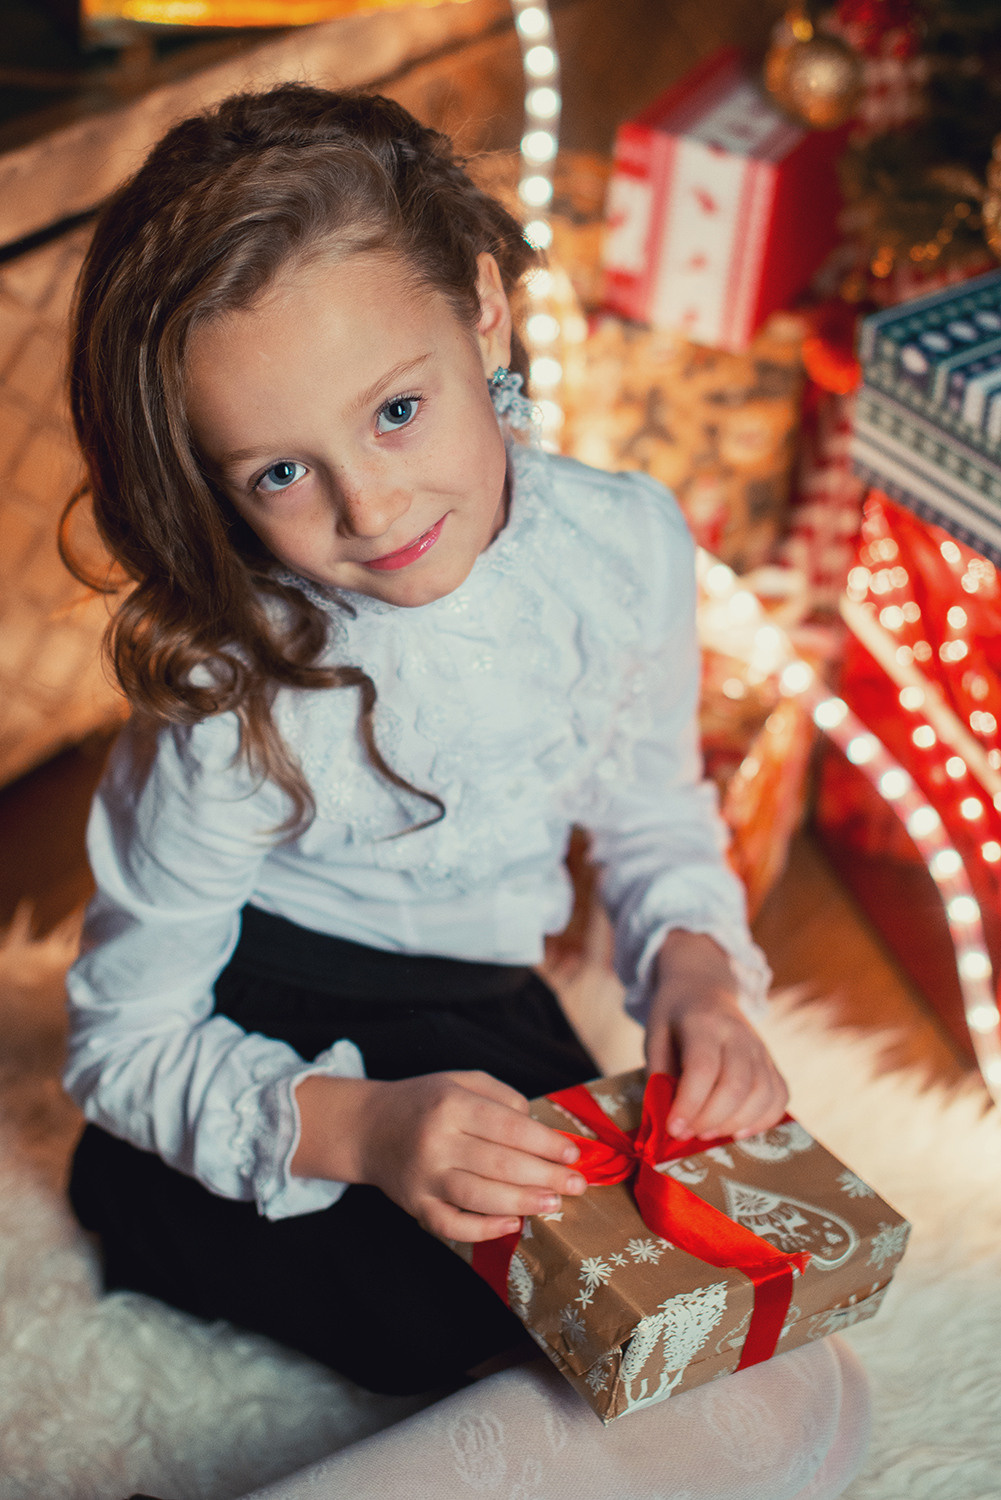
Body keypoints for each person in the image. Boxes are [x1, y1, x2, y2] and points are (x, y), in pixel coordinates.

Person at [62, 84, 869, 1499]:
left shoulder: (625, 548)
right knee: (635, 1368)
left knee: (741, 1338)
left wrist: (696, 966)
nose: (370, 511)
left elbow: (649, 811)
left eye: (396, 410)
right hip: (279, 1049)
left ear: (484, 313)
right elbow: (121, 1041)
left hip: (479, 1013)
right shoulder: (233, 696)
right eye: (280, 472)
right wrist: (367, 1133)